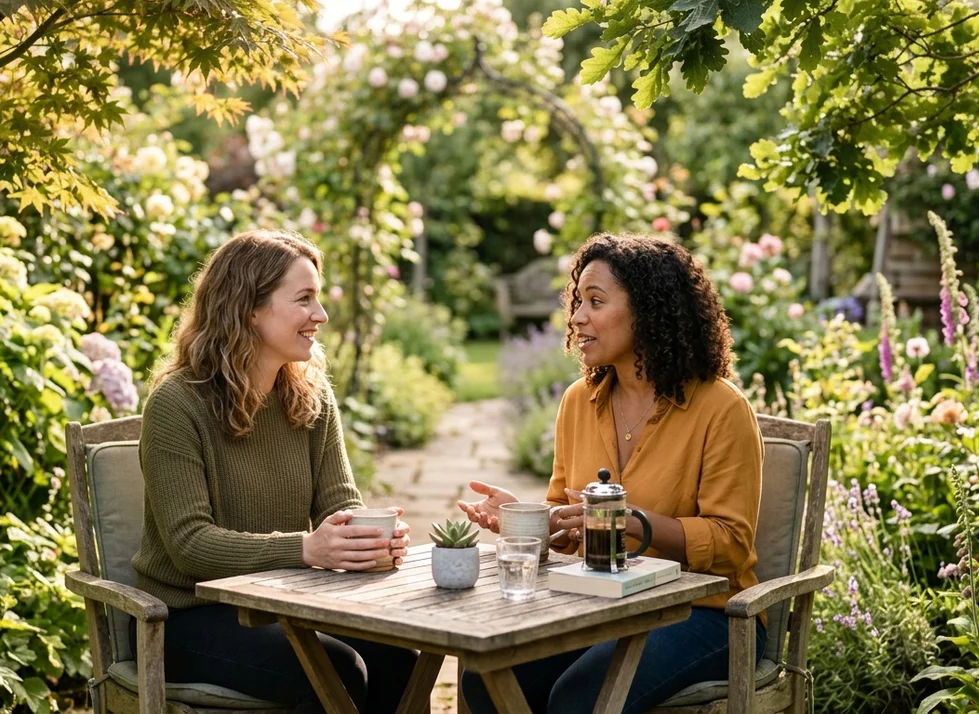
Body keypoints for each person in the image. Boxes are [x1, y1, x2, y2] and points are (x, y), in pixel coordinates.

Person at [458, 233, 766, 714]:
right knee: (486, 674)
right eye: (577, 301)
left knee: (582, 697)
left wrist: (631, 522)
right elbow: (568, 516)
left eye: (595, 302)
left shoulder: (721, 409)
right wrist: (531, 521)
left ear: (647, 310)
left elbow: (729, 545)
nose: (577, 317)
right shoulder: (579, 401)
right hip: (602, 605)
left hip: (705, 615)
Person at [131, 229, 418, 714]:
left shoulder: (309, 395)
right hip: (186, 620)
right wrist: (305, 548)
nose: (321, 316)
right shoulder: (177, 404)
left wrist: (365, 536)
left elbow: (338, 502)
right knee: (336, 668)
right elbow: (189, 545)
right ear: (249, 308)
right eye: (304, 299)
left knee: (399, 658)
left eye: (318, 299)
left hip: (283, 605)